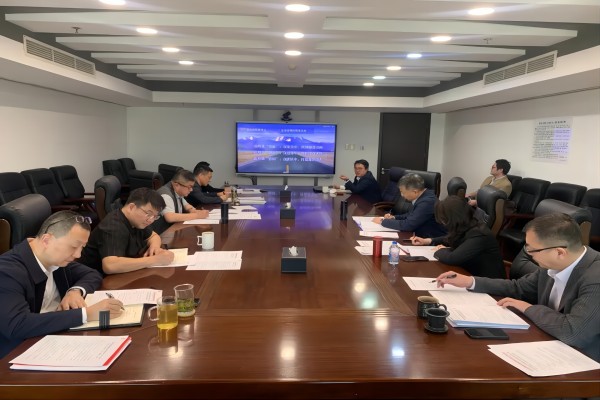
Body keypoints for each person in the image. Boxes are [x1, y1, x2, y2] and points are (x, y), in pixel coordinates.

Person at [435, 213, 600, 362]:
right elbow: (518, 287)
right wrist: (470, 281)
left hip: (585, 361)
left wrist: (528, 308)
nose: (529, 254)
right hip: (549, 341)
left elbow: (573, 332)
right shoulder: (554, 264)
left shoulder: (595, 278)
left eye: (532, 249)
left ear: (559, 252)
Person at [0, 211, 124, 358]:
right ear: (46, 240)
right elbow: (17, 325)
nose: (78, 255)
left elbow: (92, 274)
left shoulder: (55, 258)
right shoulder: (6, 272)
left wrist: (75, 291)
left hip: (54, 337)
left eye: (82, 247)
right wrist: (86, 314)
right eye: (74, 247)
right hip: (17, 353)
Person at [79, 187, 175, 275]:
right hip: (97, 278)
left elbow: (153, 236)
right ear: (131, 207)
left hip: (124, 273)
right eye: (148, 214)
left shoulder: (138, 221)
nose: (151, 220)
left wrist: (154, 248)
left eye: (155, 216)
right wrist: (154, 260)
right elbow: (110, 266)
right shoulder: (113, 226)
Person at [410, 196, 505, 278]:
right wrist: (428, 241)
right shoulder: (468, 225)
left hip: (488, 285)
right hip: (469, 273)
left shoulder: (479, 234)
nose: (443, 223)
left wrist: (441, 250)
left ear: (454, 218)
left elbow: (452, 258)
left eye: (444, 219)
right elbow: (451, 238)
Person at [372, 173, 446, 237]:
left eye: (402, 192)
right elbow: (411, 215)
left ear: (415, 192)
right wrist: (394, 217)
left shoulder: (427, 202)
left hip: (430, 239)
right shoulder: (424, 196)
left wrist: (382, 221)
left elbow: (408, 225)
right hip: (420, 235)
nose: (401, 195)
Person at [152, 169, 210, 233]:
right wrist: (197, 215)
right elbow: (170, 217)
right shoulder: (166, 195)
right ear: (177, 185)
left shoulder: (178, 192)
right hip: (162, 233)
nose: (191, 190)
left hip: (173, 230)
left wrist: (194, 211)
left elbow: (187, 206)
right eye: (189, 187)